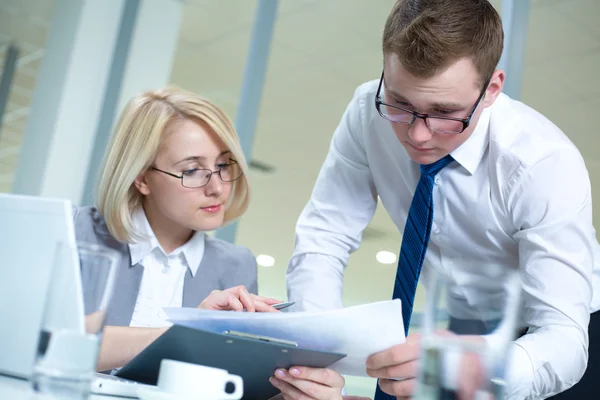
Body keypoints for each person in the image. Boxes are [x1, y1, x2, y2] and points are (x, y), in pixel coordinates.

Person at [285, 0, 600, 399]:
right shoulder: (368, 112)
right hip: (463, 320)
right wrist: (317, 354)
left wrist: (481, 367)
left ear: (492, 89)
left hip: (559, 336)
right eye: (401, 104)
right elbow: (324, 237)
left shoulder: (543, 163)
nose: (418, 135)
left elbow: (564, 339)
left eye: (445, 112)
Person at [74, 86, 281, 371]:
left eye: (223, 164)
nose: (218, 188)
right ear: (141, 179)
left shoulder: (237, 266)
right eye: (191, 170)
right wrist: (187, 333)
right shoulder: (76, 233)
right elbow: (43, 344)